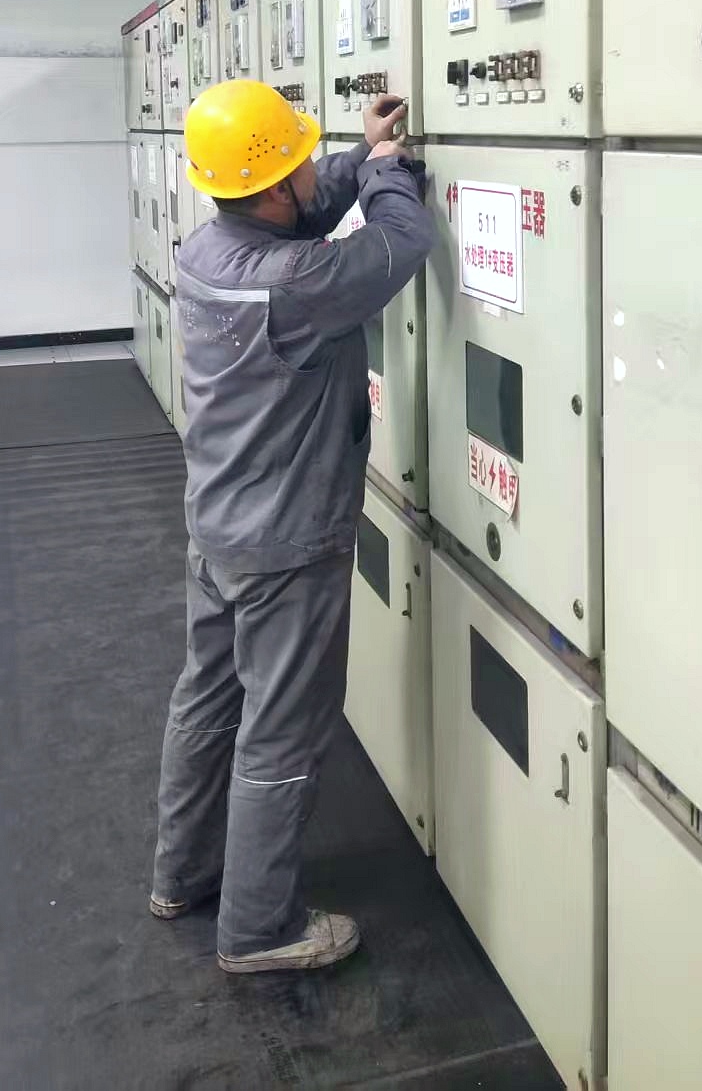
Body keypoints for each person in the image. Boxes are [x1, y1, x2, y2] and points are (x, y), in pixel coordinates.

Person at [149, 79, 435, 975]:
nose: (313, 168)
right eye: (300, 159)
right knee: (282, 732)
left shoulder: (211, 248)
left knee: (207, 701)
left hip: (219, 523)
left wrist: (355, 153)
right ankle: (258, 929)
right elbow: (399, 243)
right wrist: (387, 170)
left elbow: (301, 211)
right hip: (286, 540)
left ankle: (181, 875)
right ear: (272, 185)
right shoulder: (294, 282)